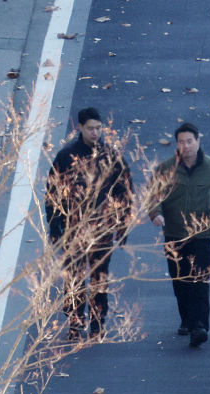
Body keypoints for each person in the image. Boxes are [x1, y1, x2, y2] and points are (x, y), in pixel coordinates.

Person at [149, 122, 210, 348]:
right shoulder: (166, 169)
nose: (186, 146)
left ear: (198, 142)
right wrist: (155, 214)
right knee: (180, 279)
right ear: (177, 145)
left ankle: (200, 326)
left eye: (189, 141)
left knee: (200, 280)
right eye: (181, 142)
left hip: (202, 233)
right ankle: (187, 318)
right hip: (174, 234)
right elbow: (154, 196)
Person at [44, 107, 134, 339]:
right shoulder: (66, 157)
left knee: (99, 277)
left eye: (98, 128)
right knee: (73, 278)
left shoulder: (111, 156)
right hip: (72, 230)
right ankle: (75, 322)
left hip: (101, 229)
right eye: (90, 128)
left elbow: (125, 192)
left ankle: (97, 322)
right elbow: (53, 194)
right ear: (80, 128)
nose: (95, 133)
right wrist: (55, 227)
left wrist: (122, 225)